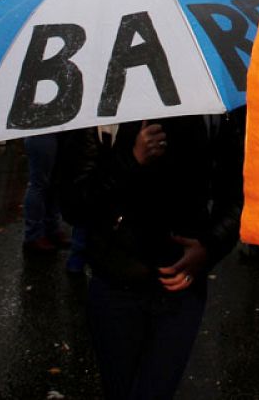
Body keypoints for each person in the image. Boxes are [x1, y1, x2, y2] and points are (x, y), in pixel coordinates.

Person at [58, 111, 244, 399]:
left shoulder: (213, 111)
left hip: (182, 289)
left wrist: (209, 247)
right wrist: (131, 160)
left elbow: (237, 195)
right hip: (116, 285)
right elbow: (74, 204)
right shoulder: (98, 109)